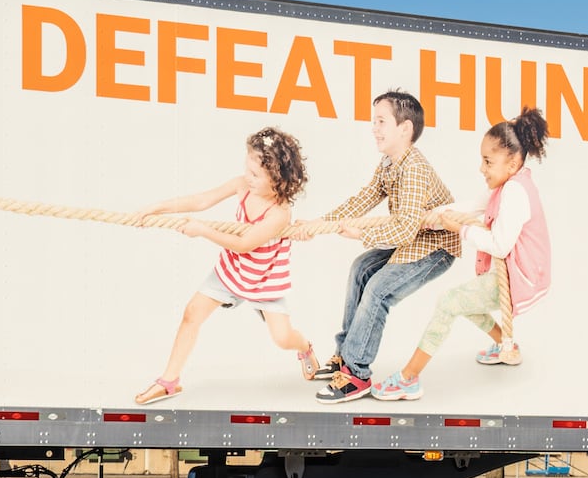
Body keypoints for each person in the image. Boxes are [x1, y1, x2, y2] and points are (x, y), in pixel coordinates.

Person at [372, 107, 553, 401]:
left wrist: (460, 230)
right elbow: (470, 206)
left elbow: (499, 245)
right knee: (463, 303)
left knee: (449, 302)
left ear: (513, 163)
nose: (481, 168)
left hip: (523, 277)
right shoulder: (506, 185)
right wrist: (433, 214)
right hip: (515, 271)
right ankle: (505, 344)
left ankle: (408, 378)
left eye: (487, 161)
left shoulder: (516, 193)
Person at [294, 90, 459, 404]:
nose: (374, 128)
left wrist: (361, 235)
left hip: (435, 247)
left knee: (378, 290)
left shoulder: (414, 169)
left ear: (405, 129)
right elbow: (365, 198)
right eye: (374, 121)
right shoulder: (389, 162)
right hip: (411, 238)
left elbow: (405, 228)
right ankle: (345, 355)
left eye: (381, 121)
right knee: (361, 268)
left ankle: (357, 374)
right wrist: (318, 223)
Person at [132, 128, 314, 405]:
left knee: (283, 338)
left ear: (278, 178)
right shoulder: (242, 185)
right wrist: (157, 207)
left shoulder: (279, 213)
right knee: (191, 313)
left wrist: (202, 231)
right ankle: (169, 381)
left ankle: (305, 348)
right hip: (231, 271)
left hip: (263, 279)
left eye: (256, 175)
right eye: (247, 169)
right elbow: (201, 200)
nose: (248, 178)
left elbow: (244, 245)